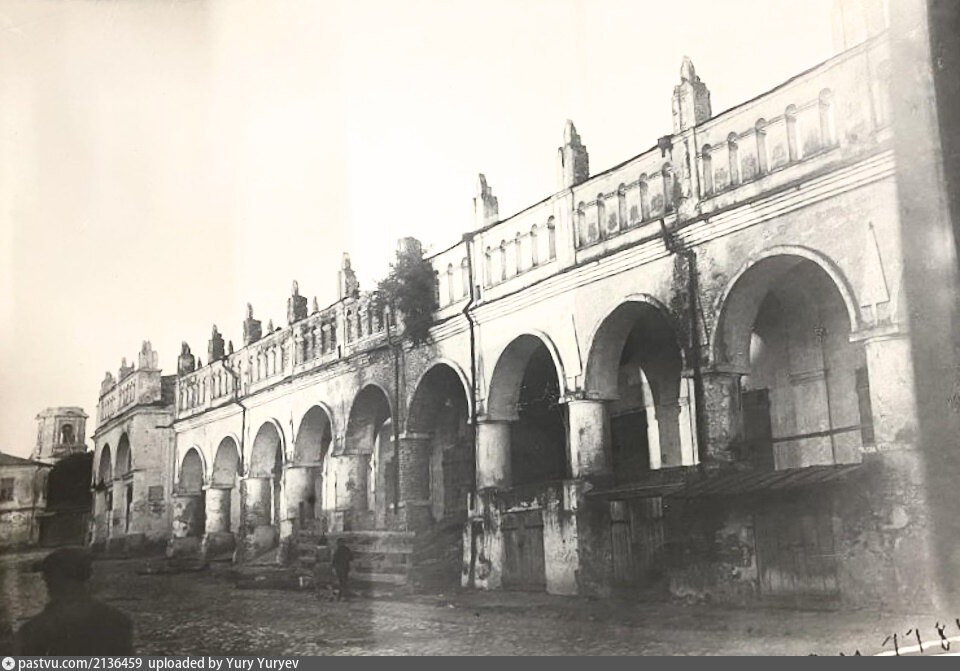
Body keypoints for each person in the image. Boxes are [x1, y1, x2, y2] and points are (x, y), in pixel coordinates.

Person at [14, 547, 134, 655]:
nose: (44, 579)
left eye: (48, 574)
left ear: (57, 578)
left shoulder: (36, 629)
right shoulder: (119, 621)